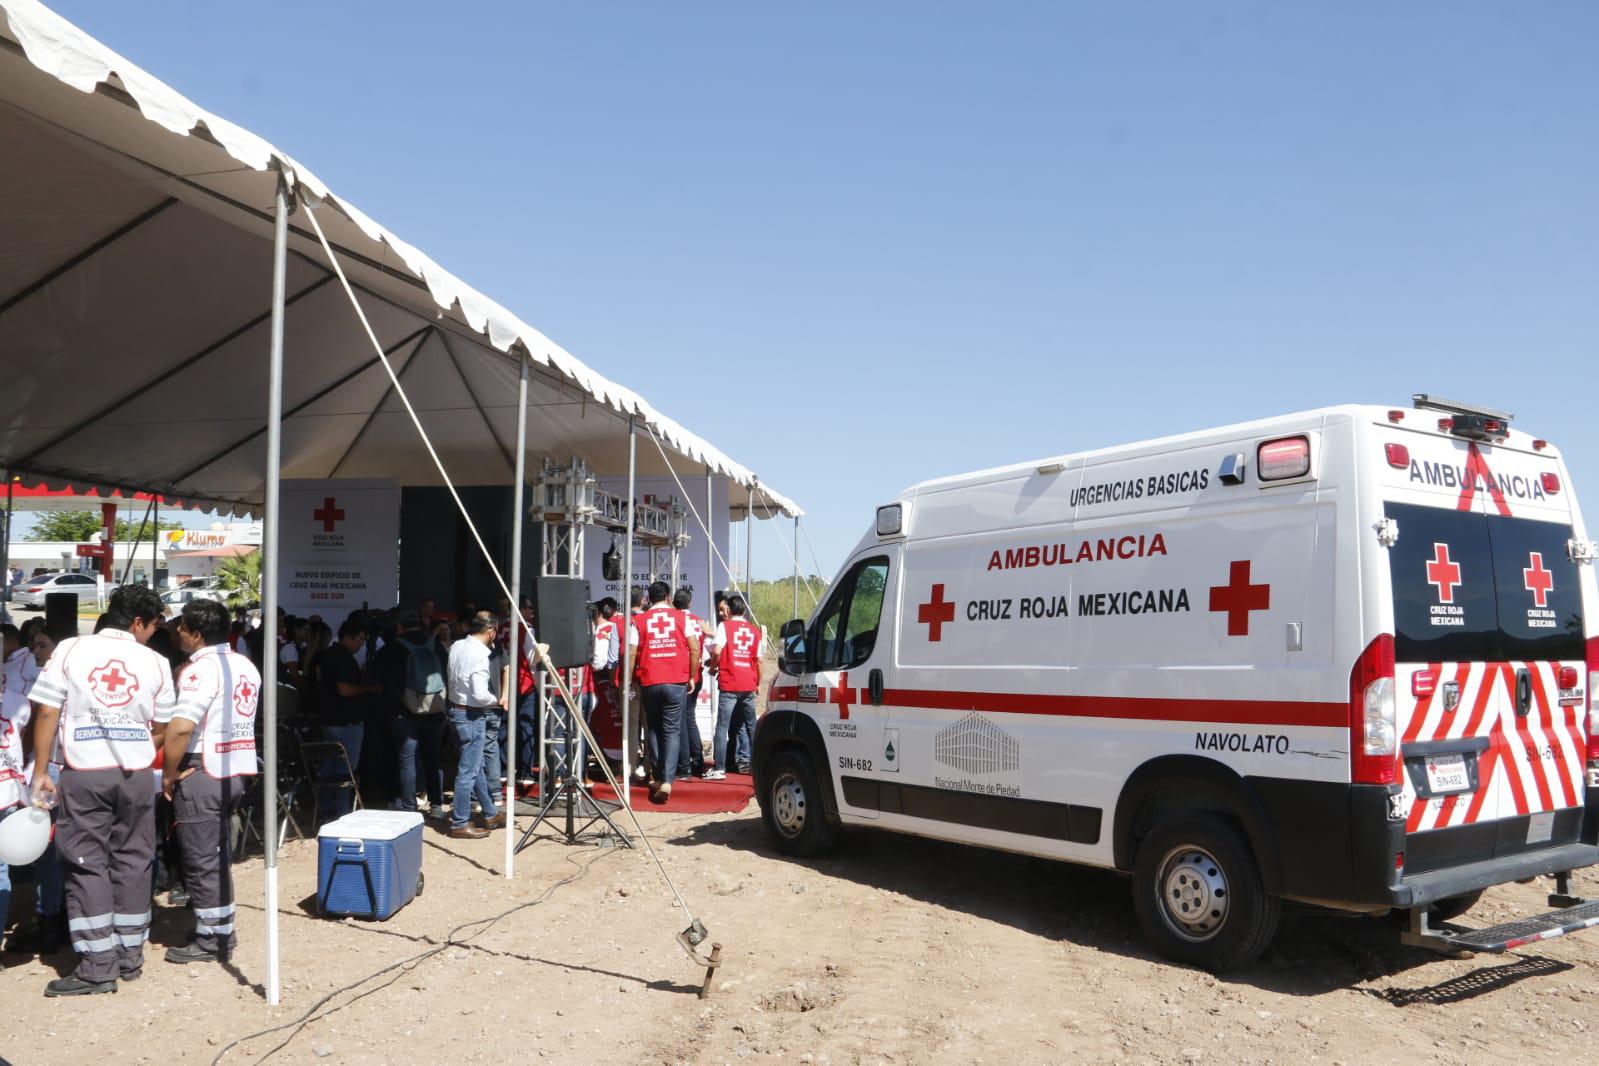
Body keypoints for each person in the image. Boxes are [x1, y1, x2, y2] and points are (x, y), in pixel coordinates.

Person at [28, 585, 176, 996]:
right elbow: (163, 728)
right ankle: (129, 954)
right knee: (133, 859)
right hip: (136, 777)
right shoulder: (158, 662)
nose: (152, 634)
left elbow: (46, 710)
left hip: (85, 772)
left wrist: (41, 771)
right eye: (152, 626)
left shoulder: (72, 649)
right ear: (136, 623)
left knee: (86, 861)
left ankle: (97, 965)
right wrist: (139, 748)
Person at [159, 599, 260, 964]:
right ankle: (217, 928)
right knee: (217, 857)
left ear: (197, 633)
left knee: (201, 859)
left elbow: (182, 726)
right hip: (235, 769)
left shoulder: (200, 670)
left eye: (182, 627)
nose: (177, 632)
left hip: (202, 769)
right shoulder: (244, 664)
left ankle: (212, 940)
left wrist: (169, 773)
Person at [628, 581, 700, 804]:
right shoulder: (682, 618)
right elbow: (695, 648)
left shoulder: (639, 620)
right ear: (668, 597)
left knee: (653, 730)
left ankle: (659, 777)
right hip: (676, 681)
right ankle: (668, 780)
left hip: (650, 681)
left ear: (648, 599)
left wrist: (630, 680)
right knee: (672, 730)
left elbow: (631, 653)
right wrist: (691, 675)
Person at [378, 610, 447, 818]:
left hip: (405, 712)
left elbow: (381, 678)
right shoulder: (434, 644)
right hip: (434, 710)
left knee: (407, 760)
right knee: (433, 759)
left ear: (400, 626)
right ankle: (436, 806)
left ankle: (409, 807)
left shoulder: (393, 647)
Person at [316, 617, 379, 819]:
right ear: (348, 637)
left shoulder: (329, 655)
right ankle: (342, 812)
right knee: (346, 770)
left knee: (330, 767)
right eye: (359, 639)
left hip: (331, 718)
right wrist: (370, 688)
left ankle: (327, 810)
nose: (361, 644)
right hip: (345, 721)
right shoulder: (341, 657)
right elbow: (344, 689)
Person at [445, 614, 501, 839]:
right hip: (471, 713)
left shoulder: (457, 645)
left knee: (473, 765)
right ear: (492, 631)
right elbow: (479, 694)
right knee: (468, 771)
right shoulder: (480, 655)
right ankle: (460, 822)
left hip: (456, 709)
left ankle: (490, 812)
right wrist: (494, 700)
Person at [709, 594, 766, 778]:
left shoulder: (724, 626)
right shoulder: (754, 631)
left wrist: (712, 667)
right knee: (751, 726)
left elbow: (717, 650)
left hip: (730, 682)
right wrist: (758, 683)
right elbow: (759, 661)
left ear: (730, 610)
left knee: (722, 726)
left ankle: (719, 768)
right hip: (748, 683)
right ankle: (759, 766)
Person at [672, 588, 708, 779]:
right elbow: (710, 648)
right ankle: (697, 760)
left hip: (680, 676)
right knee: (689, 717)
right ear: (690, 603)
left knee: (682, 720)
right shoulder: (698, 621)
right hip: (697, 675)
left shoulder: (673, 619)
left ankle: (684, 764)